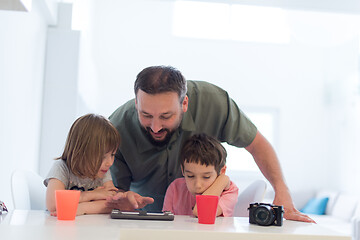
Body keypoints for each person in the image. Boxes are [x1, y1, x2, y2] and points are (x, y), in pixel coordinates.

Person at [108, 65, 314, 222]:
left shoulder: (215, 103)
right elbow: (115, 194)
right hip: (145, 221)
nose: (155, 127)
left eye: (166, 116)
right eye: (146, 115)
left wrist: (282, 190)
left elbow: (257, 144)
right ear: (136, 103)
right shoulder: (116, 128)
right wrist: (121, 200)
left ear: (184, 103)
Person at [44, 113, 153, 216]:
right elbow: (54, 204)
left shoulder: (102, 170)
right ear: (81, 152)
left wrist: (82, 208)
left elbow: (111, 204)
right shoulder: (61, 168)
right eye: (102, 157)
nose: (110, 163)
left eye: (113, 155)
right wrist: (92, 195)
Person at [162, 133, 238, 217]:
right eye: (190, 176)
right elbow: (167, 225)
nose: (197, 185)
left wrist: (223, 179)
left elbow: (202, 212)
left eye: (206, 177)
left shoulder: (229, 191)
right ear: (183, 170)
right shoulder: (175, 188)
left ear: (222, 171)